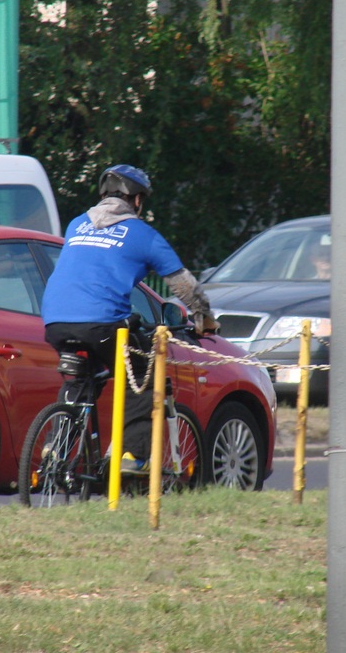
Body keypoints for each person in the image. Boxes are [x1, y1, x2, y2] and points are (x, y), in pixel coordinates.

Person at [41, 164, 219, 473]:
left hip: (54, 321)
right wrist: (204, 319)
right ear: (136, 200)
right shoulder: (142, 234)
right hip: (102, 323)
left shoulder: (75, 225)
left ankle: (56, 448)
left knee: (84, 378)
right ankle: (132, 456)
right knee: (143, 374)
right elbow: (182, 284)